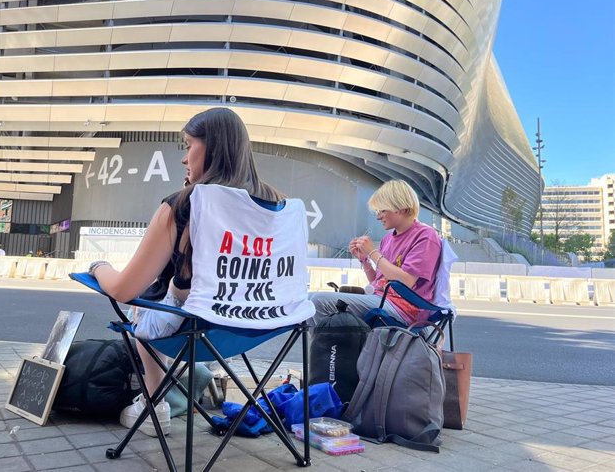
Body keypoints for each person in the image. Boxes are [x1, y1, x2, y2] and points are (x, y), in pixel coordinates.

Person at [88, 107, 283, 437]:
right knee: (161, 302)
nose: (184, 157)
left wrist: (98, 267)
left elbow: (122, 288)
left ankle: (155, 404)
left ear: (212, 147)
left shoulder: (184, 203)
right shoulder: (278, 205)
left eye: (188, 144)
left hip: (193, 331)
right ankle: (178, 389)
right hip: (253, 326)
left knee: (140, 308)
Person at [310, 180, 442, 327]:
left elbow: (406, 283)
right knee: (309, 301)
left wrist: (372, 252)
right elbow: (379, 282)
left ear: (401, 208)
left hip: (405, 309)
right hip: (382, 299)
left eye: (382, 210)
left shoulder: (425, 235)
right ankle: (331, 349)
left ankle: (329, 349)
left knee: (318, 301)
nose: (378, 217)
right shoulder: (388, 239)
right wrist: (365, 260)